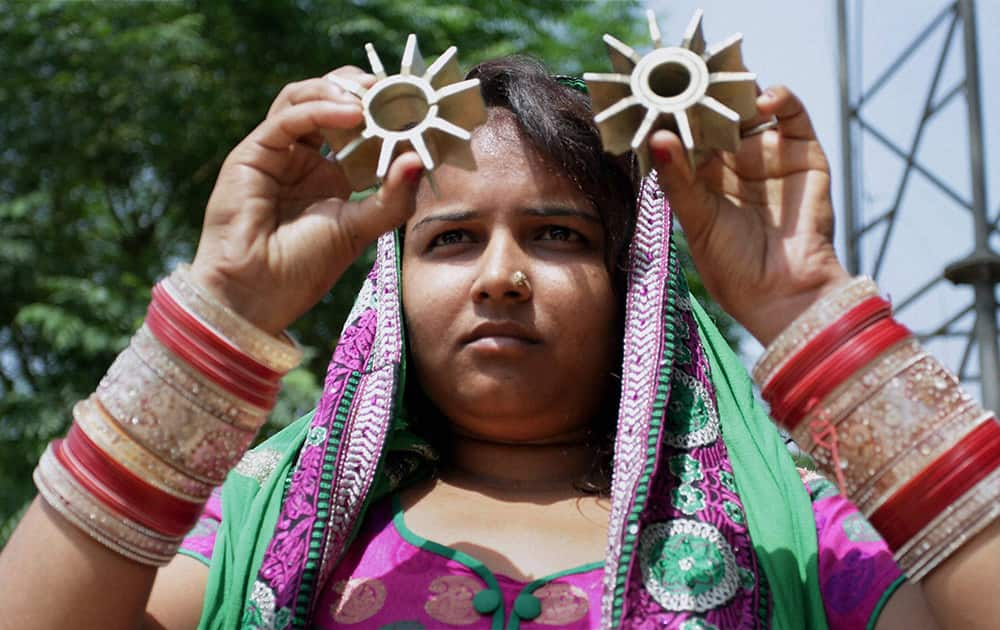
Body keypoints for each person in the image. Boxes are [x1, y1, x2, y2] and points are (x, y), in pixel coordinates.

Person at [0, 54, 997, 630]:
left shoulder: (786, 540)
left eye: (559, 235)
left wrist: (807, 310)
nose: (501, 275)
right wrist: (221, 311)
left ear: (634, 286)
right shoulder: (261, 531)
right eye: (450, 239)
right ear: (386, 292)